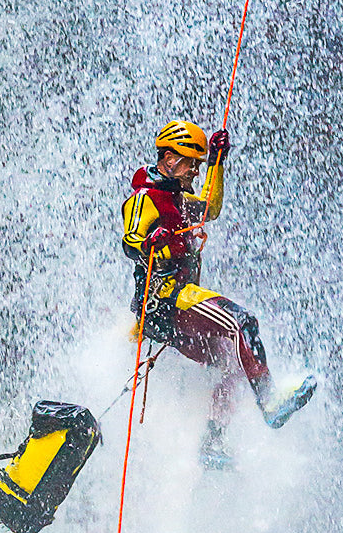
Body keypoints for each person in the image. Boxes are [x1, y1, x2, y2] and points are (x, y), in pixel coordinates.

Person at [121, 120, 316, 470]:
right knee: (243, 324)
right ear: (169, 159)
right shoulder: (146, 198)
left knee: (237, 362)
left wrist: (217, 163)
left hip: (174, 306)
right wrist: (151, 241)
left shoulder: (177, 197)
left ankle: (212, 443)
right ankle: (270, 403)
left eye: (199, 165)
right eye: (191, 164)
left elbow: (210, 207)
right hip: (167, 300)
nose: (195, 171)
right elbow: (130, 241)